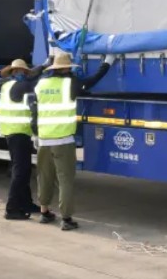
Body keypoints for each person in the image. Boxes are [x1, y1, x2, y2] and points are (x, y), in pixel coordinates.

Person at [34, 51, 112, 231]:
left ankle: (44, 212)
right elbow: (92, 80)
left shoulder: (41, 83)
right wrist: (107, 63)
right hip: (63, 140)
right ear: (66, 68)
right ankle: (66, 219)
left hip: (44, 139)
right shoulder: (71, 83)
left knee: (44, 177)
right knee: (65, 179)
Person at [0, 58, 44, 220]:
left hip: (13, 131)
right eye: (22, 71)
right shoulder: (21, 86)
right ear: (16, 72)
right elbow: (35, 83)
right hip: (18, 132)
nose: (24, 74)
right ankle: (12, 209)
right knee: (20, 171)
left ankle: (26, 203)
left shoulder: (6, 85)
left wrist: (42, 66)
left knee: (24, 169)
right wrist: (44, 69)